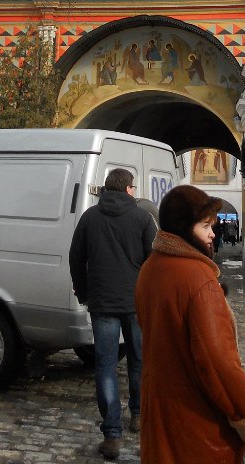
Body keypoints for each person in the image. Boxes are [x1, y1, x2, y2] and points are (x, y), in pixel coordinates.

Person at [135, 185, 245, 464]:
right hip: (198, 428)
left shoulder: (151, 267)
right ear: (184, 227)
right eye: (205, 225)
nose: (213, 233)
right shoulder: (199, 279)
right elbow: (217, 362)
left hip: (159, 412)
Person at [69, 168, 156, 460]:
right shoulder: (143, 218)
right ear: (129, 189)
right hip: (136, 302)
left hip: (102, 301)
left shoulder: (90, 217)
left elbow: (76, 257)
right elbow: (153, 263)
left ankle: (112, 434)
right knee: (139, 361)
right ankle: (139, 415)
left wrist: (83, 292)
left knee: (105, 366)